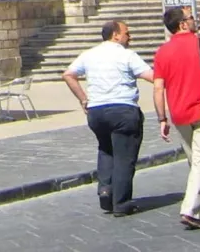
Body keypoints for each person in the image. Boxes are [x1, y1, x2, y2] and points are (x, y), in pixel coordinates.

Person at [62, 19, 155, 217]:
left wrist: (83, 99)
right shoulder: (127, 55)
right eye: (127, 33)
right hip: (123, 109)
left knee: (106, 150)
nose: (130, 37)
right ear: (116, 35)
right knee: (124, 157)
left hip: (96, 111)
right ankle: (121, 203)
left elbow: (68, 74)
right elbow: (151, 76)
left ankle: (105, 192)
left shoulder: (89, 54)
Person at [153, 7, 200, 230]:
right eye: (190, 18)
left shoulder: (162, 52)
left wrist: (162, 119)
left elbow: (158, 88)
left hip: (178, 114)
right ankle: (190, 210)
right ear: (183, 25)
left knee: (197, 159)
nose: (194, 20)